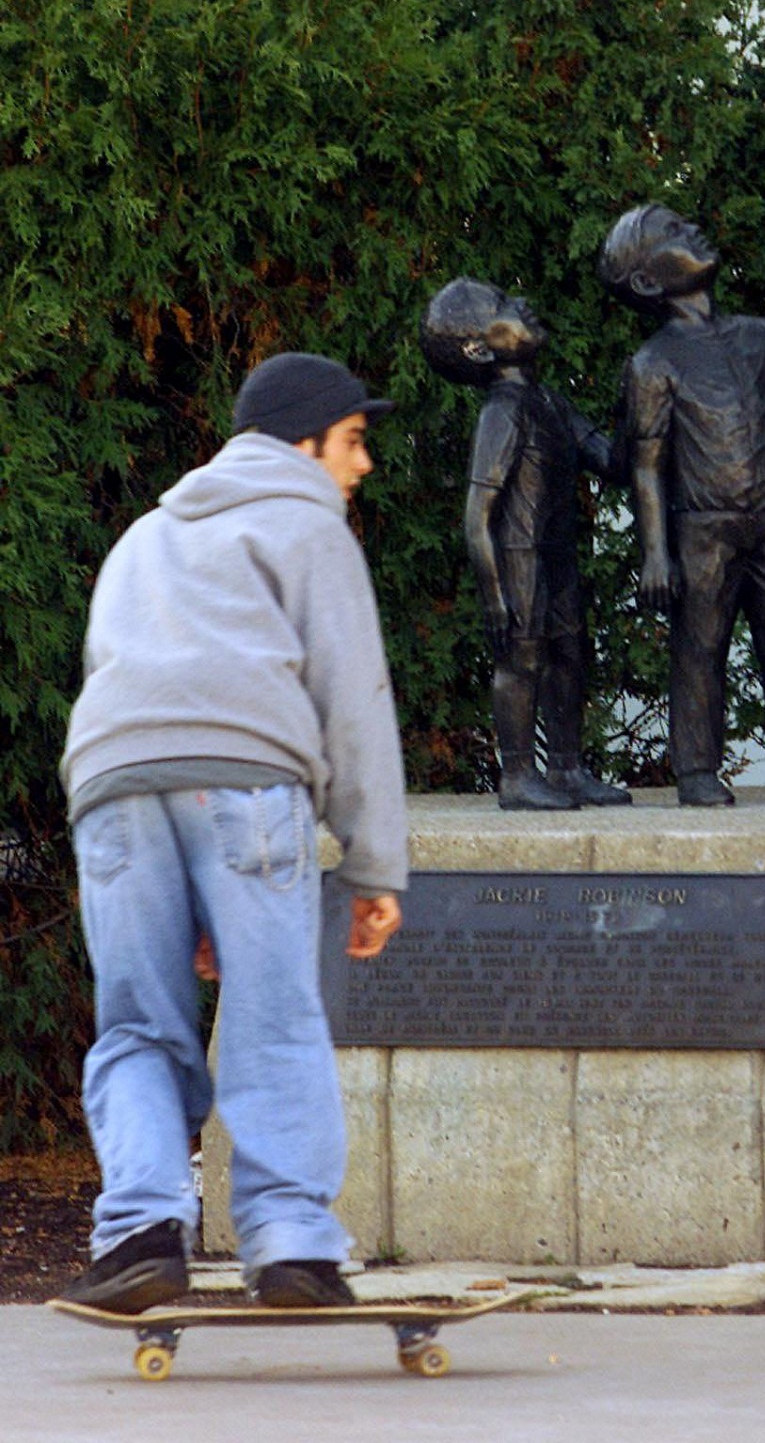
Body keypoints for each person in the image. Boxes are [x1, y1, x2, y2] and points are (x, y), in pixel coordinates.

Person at [58, 352, 408, 1313]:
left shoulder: (145, 535)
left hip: (114, 786)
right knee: (273, 1010)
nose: (361, 464)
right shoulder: (308, 525)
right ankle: (291, 1241)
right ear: (304, 441)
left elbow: (114, 677)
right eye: (353, 440)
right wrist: (374, 864)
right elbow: (354, 699)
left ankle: (140, 1231)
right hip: (245, 782)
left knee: (137, 1021)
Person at [600, 204, 765, 807]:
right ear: (647, 282)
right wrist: (655, 553)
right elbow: (646, 464)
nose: (692, 229)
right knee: (700, 648)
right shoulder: (653, 364)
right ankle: (696, 769)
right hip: (703, 531)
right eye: (672, 233)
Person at [420, 278, 631, 811]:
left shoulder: (550, 402)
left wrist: (637, 407)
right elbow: (477, 516)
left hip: (556, 556)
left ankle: (566, 767)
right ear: (479, 349)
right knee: (522, 657)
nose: (523, 304)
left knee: (570, 653)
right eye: (503, 306)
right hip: (518, 557)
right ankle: (517, 774)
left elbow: (612, 461)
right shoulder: (502, 412)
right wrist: (494, 596)